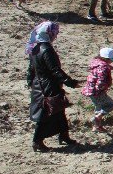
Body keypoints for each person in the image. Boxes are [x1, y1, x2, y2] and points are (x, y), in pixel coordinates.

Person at [27, 23, 80, 152]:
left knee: (58, 111)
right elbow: (55, 70)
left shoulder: (35, 48)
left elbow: (31, 69)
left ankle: (64, 135)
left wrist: (30, 82)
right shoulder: (46, 49)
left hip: (39, 85)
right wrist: (70, 82)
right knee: (47, 113)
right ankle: (37, 141)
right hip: (48, 86)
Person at [81, 46, 113, 133]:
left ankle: (97, 126)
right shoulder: (103, 67)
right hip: (97, 91)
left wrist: (111, 67)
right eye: (111, 59)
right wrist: (101, 89)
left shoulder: (96, 63)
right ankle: (96, 118)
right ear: (106, 58)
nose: (112, 61)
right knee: (110, 105)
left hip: (89, 89)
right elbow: (101, 81)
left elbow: (104, 67)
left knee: (98, 107)